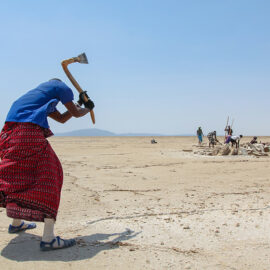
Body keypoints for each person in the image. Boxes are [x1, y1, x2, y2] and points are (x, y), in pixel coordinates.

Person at [0, 78, 92, 251]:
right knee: (51, 175)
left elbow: (63, 118)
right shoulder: (62, 87)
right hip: (28, 132)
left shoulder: (40, 97)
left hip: (9, 134)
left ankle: (17, 223)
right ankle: (49, 238)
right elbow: (77, 113)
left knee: (20, 176)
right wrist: (88, 108)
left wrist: (80, 104)